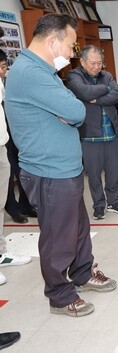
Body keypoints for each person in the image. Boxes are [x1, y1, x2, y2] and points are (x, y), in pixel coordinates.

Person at [5, 13, 116, 317]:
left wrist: (68, 111)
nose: (71, 52)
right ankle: (59, 294)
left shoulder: (44, 70)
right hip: (48, 171)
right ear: (52, 41)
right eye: (69, 45)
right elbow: (76, 111)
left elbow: (70, 110)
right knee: (58, 236)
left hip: (64, 168)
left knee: (78, 229)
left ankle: (81, 273)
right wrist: (69, 111)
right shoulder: (31, 72)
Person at [66, 45, 118, 220]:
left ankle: (114, 201)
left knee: (113, 171)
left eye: (99, 63)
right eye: (93, 63)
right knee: (93, 174)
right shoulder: (74, 76)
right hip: (89, 134)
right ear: (82, 62)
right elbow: (84, 92)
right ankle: (99, 204)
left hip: (110, 131)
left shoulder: (106, 75)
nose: (97, 67)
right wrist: (106, 90)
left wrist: (97, 97)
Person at [0, 50, 31, 286]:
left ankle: (1, 253)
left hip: (2, 145)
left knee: (1, 203)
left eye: (4, 66)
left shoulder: (2, 84)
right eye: (0, 67)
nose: (4, 71)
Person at [1, 38, 37, 224]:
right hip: (2, 137)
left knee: (22, 169)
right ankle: (12, 207)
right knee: (7, 174)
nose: (2, 71)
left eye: (4, 66)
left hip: (15, 132)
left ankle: (25, 204)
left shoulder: (9, 82)